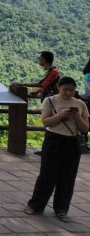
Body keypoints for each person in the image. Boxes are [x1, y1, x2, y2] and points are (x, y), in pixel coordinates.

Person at [24, 76, 89, 223]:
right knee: (47, 174)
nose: (68, 93)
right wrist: (61, 115)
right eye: (65, 89)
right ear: (58, 88)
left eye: (71, 90)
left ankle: (61, 209)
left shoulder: (80, 104)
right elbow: (46, 122)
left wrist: (77, 117)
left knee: (67, 177)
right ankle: (35, 205)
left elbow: (86, 128)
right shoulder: (50, 100)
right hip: (53, 140)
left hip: (72, 143)